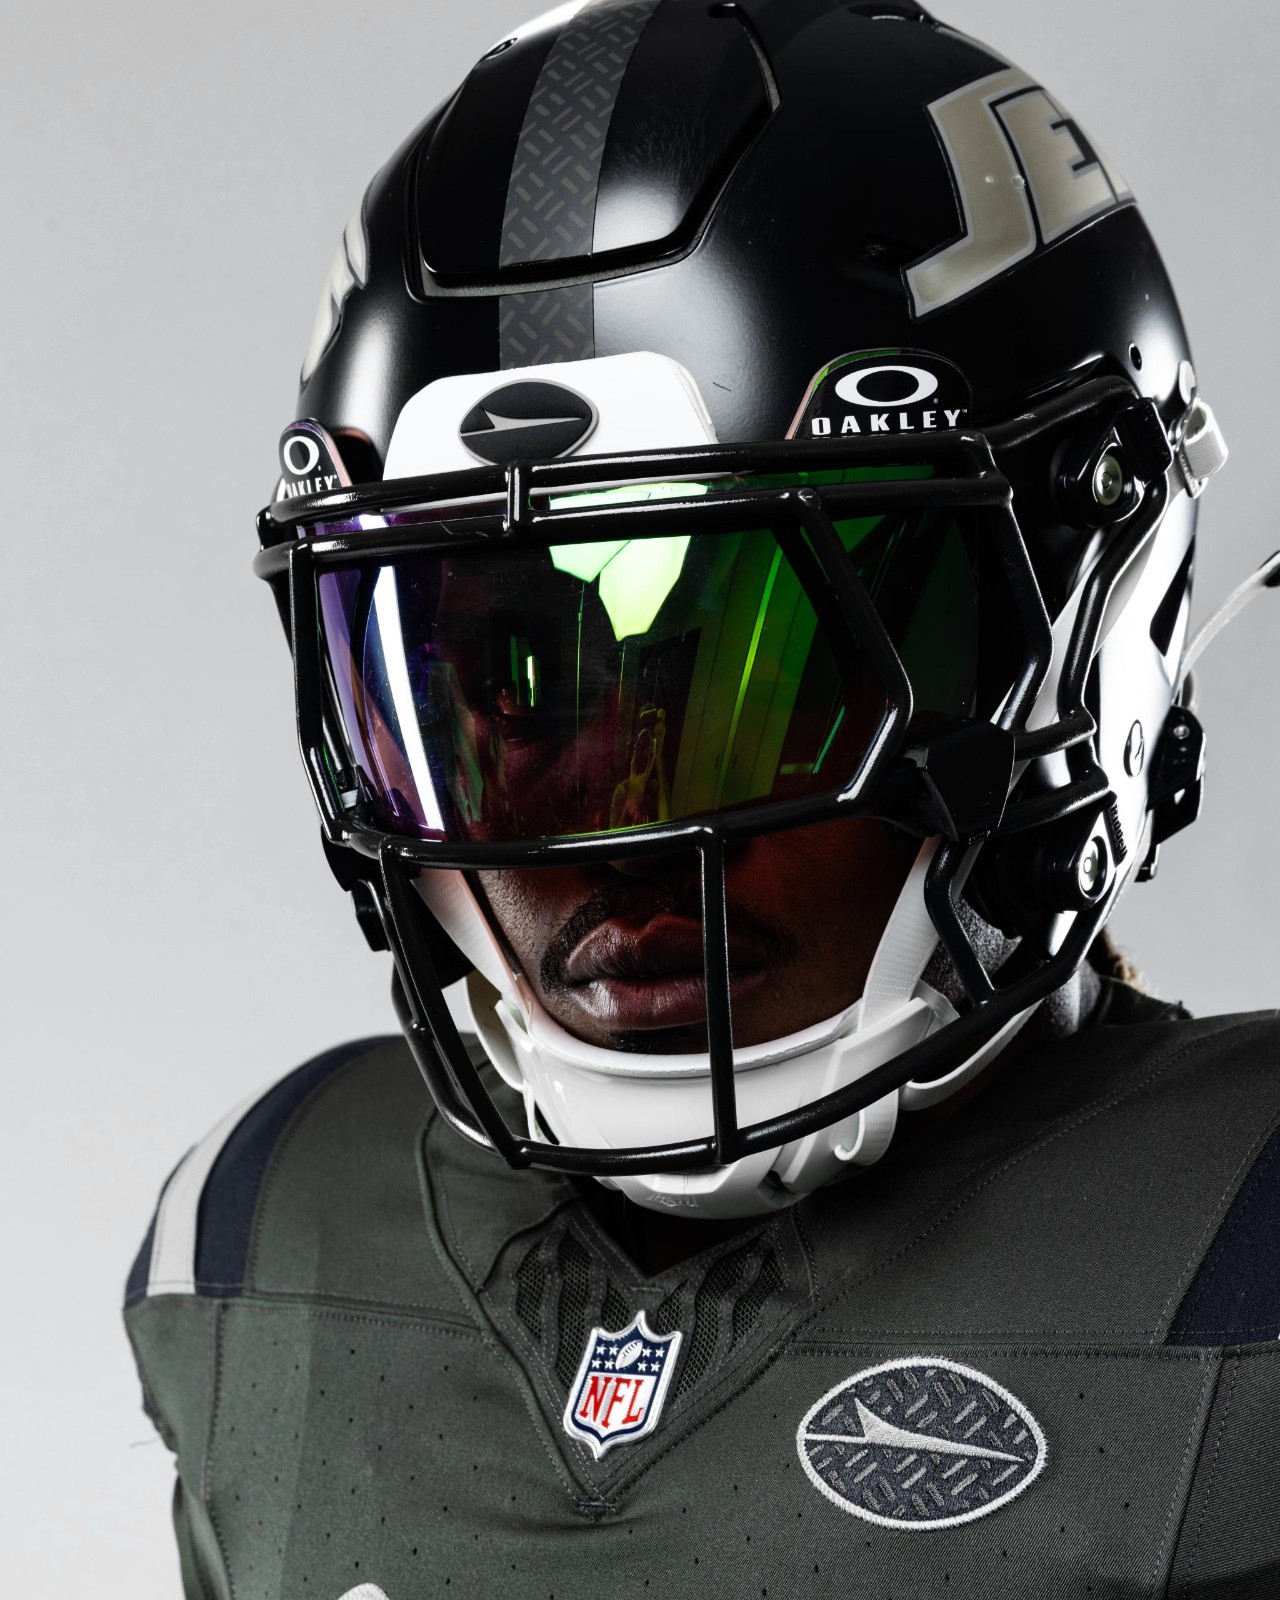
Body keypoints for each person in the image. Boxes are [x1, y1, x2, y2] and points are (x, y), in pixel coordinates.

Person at [124, 2, 1280, 1594]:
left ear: (1072, 644)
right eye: (513, 698)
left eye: (762, 687)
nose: (618, 843)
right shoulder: (257, 1237)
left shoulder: (1242, 1246)